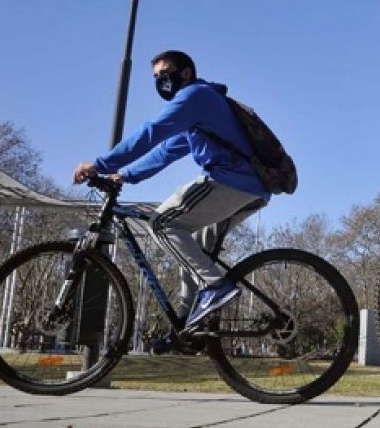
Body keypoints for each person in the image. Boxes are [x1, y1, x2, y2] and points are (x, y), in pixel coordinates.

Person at [73, 50, 269, 352]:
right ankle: (189, 324)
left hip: (232, 181)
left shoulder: (195, 96)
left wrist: (101, 164)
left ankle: (216, 288)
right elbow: (166, 151)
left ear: (186, 72)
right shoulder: (199, 112)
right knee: (195, 249)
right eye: (155, 78)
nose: (160, 81)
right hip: (250, 188)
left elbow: (151, 133)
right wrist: (124, 175)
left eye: (165, 74)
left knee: (162, 223)